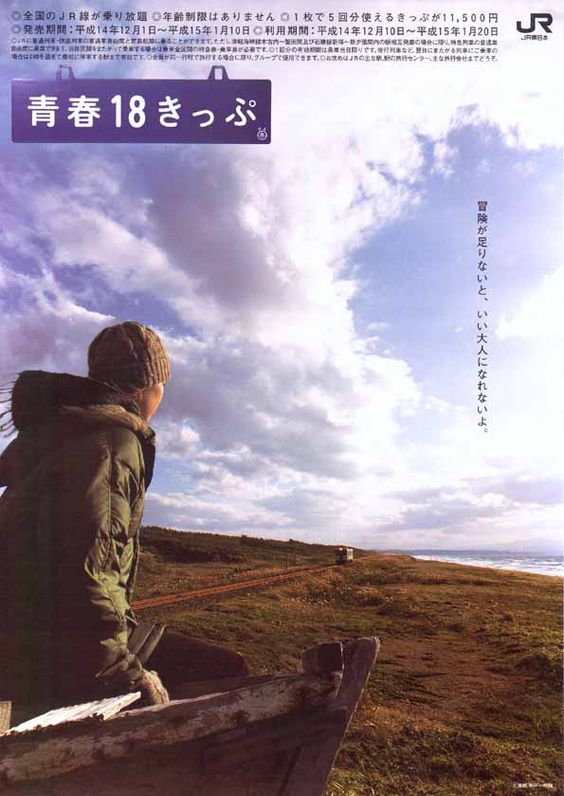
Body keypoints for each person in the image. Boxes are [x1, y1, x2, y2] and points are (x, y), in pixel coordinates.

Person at [0, 321, 248, 720]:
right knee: (226, 672)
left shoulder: (64, 434)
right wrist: (125, 674)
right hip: (55, 648)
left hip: (28, 632)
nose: (162, 394)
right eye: (161, 383)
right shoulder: (112, 445)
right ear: (144, 387)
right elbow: (83, 574)